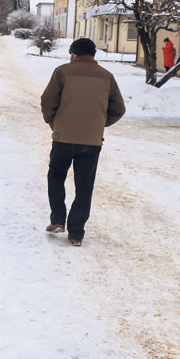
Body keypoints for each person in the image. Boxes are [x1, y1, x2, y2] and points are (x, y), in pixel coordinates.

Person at [40, 38, 126, 246]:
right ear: (93, 55)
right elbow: (119, 109)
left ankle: (58, 220)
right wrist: (99, 124)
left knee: (56, 175)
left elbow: (47, 102)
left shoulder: (62, 72)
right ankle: (76, 233)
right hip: (92, 141)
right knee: (85, 186)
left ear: (74, 54)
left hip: (63, 138)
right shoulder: (107, 77)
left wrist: (54, 122)